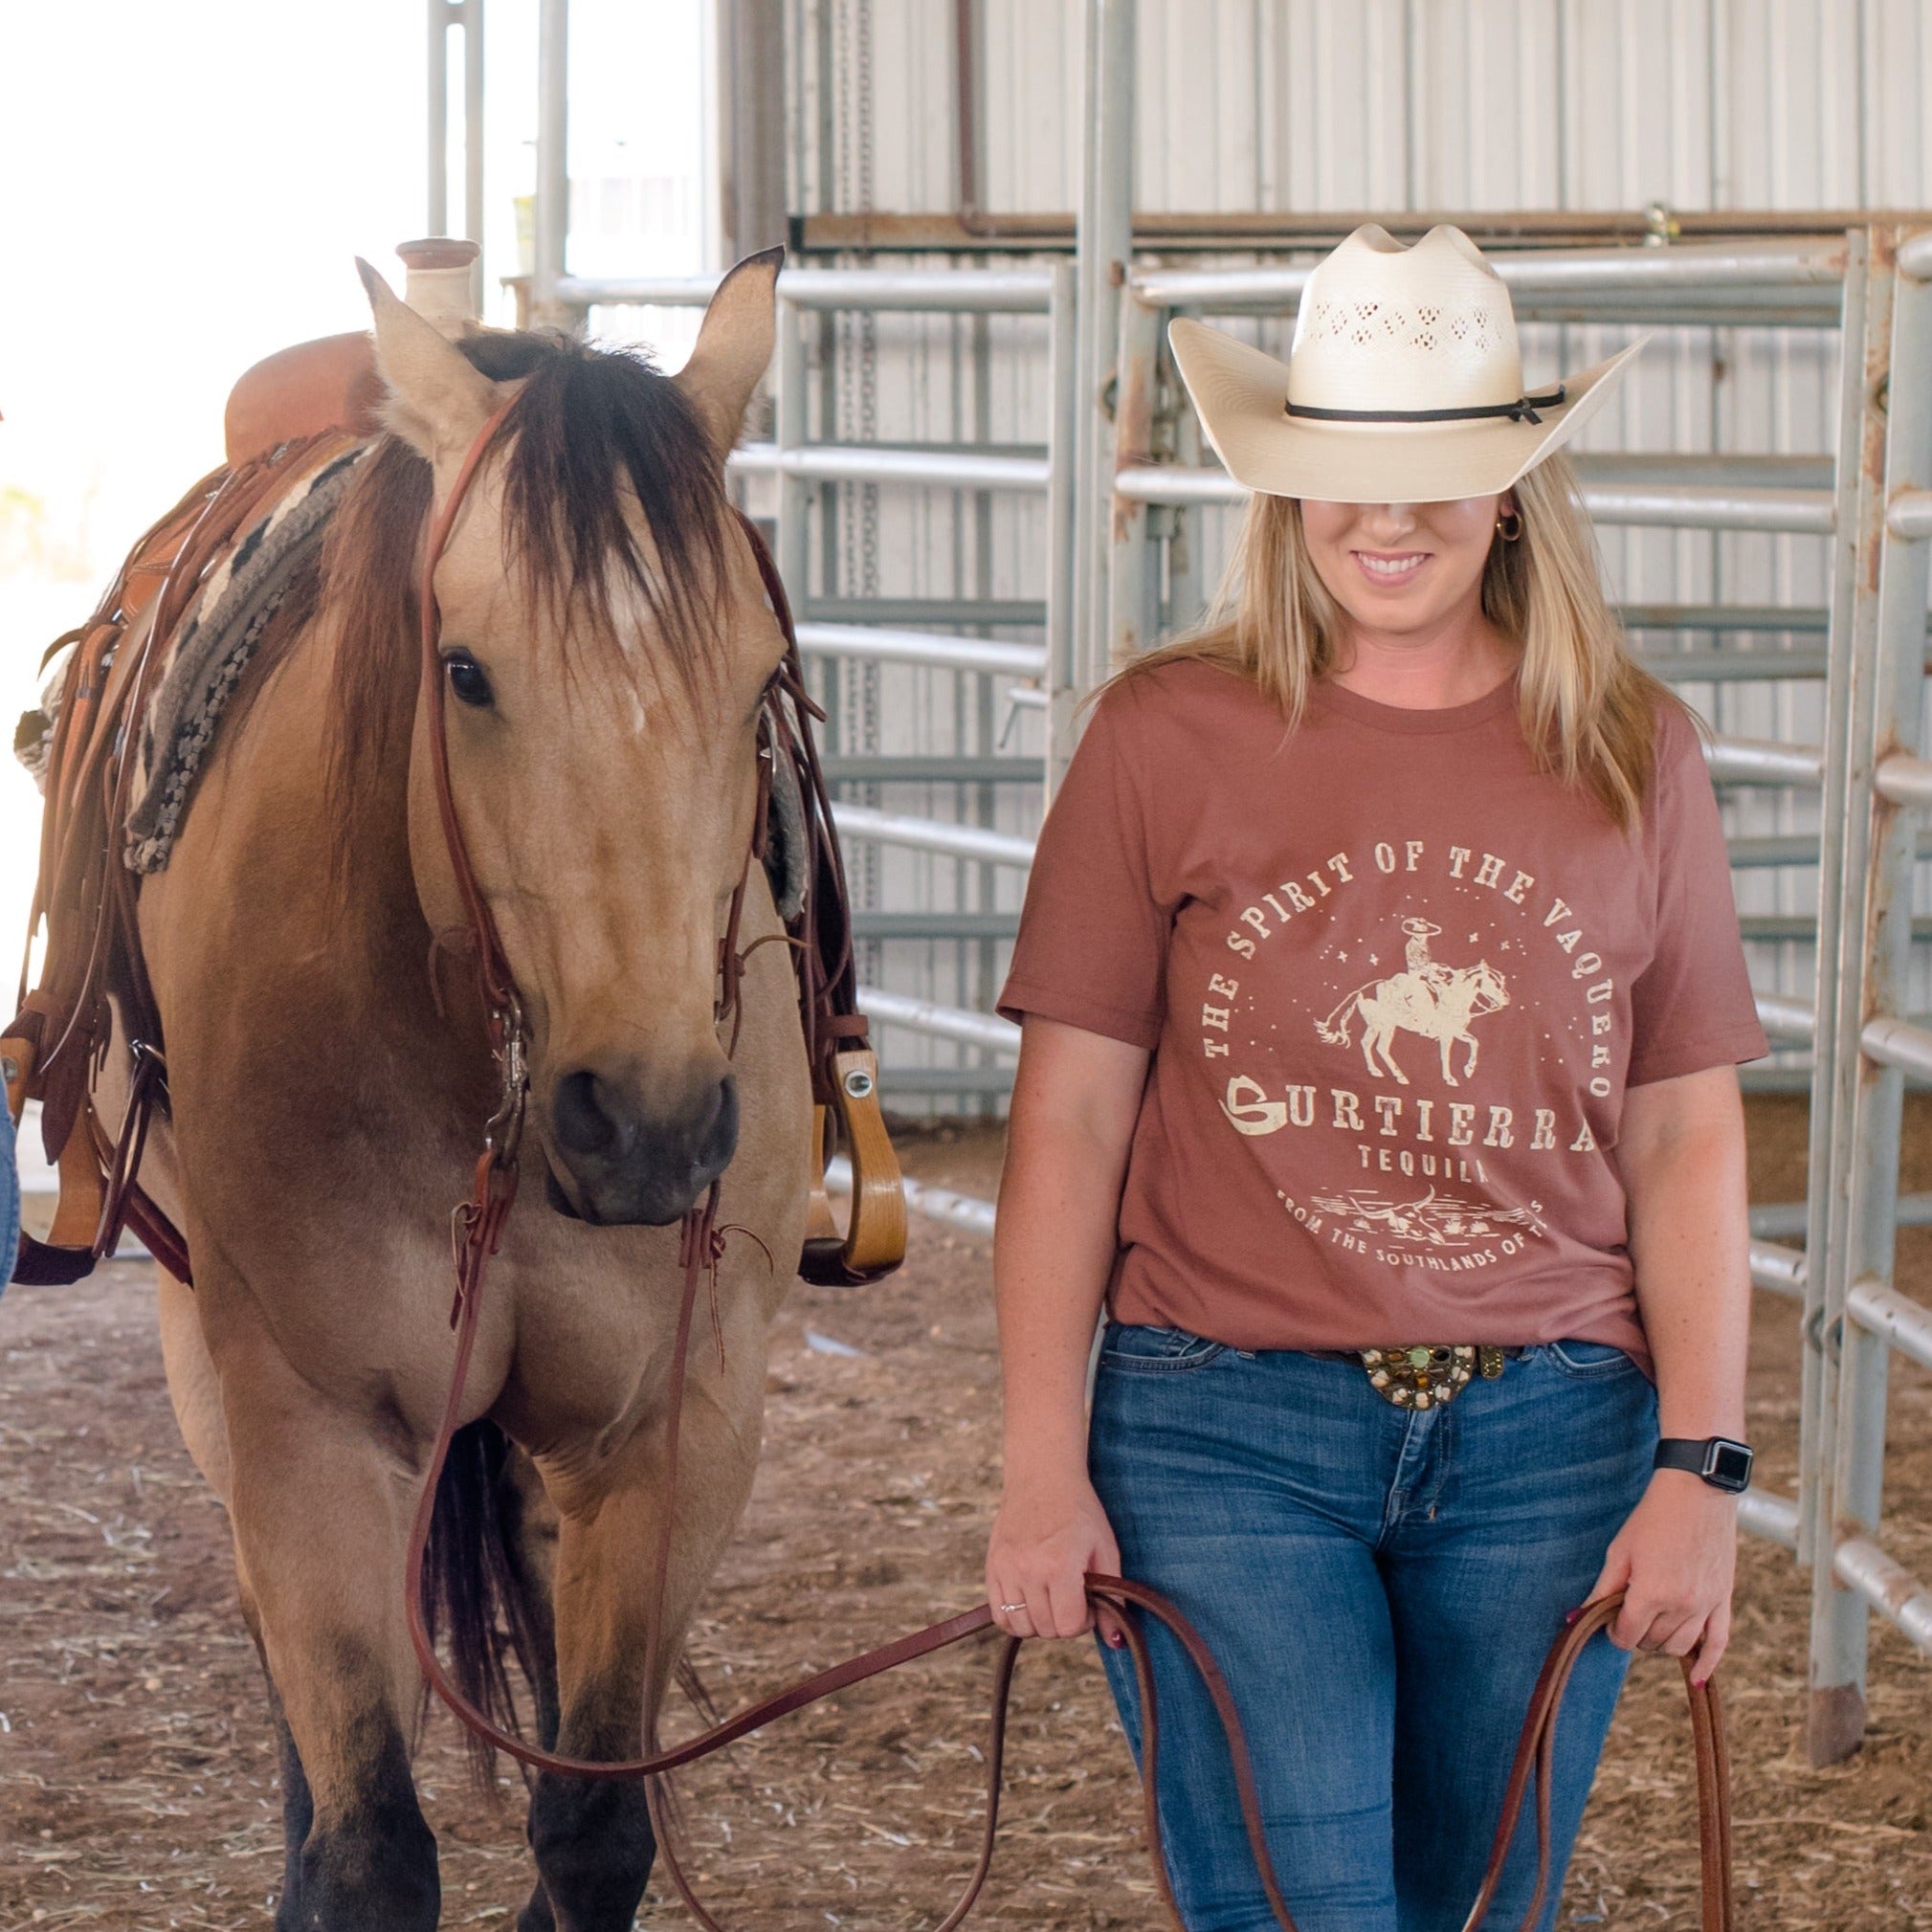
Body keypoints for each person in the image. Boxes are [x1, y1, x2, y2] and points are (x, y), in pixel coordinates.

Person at [984, 223, 1766, 1932]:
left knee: (1484, 1908)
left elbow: (1684, 1128)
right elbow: (1070, 1120)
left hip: (1554, 1433)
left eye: (1441, 472)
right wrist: (1043, 1455)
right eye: (1347, 470)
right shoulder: (1162, 736)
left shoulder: (1635, 753)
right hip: (1221, 1427)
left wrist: (1699, 1471)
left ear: (1512, 489)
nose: (1389, 517)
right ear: (1286, 483)